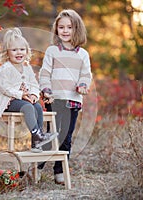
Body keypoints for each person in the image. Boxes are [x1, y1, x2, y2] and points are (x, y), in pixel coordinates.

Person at [38, 9, 93, 184]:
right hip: (54, 99)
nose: (65, 31)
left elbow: (86, 75)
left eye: (69, 27)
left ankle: (59, 172)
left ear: (77, 29)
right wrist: (46, 89)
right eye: (61, 27)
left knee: (66, 137)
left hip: (73, 100)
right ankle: (37, 167)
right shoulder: (52, 51)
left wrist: (83, 86)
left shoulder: (83, 54)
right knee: (51, 135)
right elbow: (45, 73)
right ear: (56, 30)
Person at [0, 28, 58, 153]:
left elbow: (34, 84)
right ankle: (38, 135)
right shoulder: (3, 69)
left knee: (36, 106)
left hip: (24, 100)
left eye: (22, 49)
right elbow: (5, 88)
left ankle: (37, 141)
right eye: (14, 50)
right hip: (7, 101)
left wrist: (33, 95)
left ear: (26, 51)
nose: (18, 52)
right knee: (28, 107)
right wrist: (22, 95)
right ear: (7, 53)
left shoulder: (27, 67)